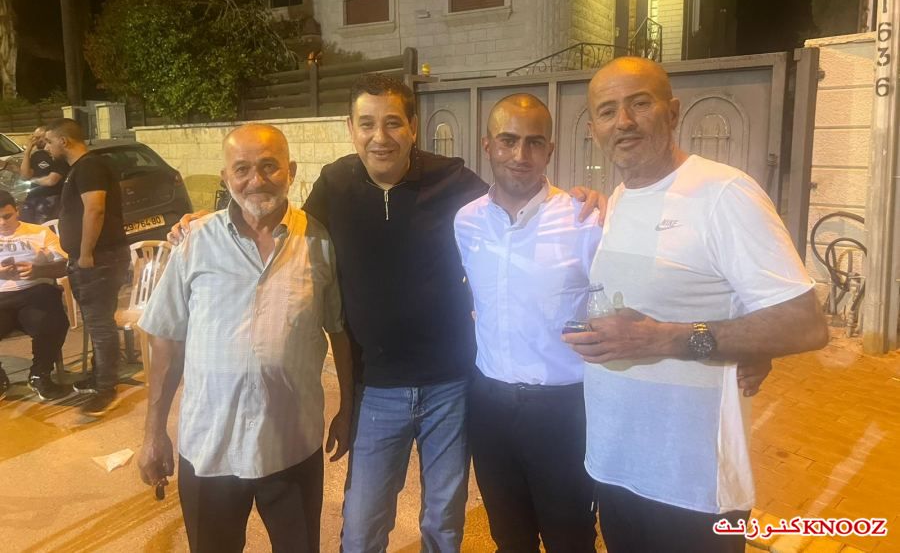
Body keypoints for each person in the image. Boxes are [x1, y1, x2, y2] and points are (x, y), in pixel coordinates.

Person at [171, 75, 602, 551]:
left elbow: (514, 193)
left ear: (413, 127)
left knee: (443, 523)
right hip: (376, 389)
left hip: (451, 386)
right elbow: (286, 224)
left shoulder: (454, 182)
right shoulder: (334, 185)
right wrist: (211, 221)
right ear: (350, 128)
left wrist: (579, 199)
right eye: (367, 124)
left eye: (393, 123)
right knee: (361, 528)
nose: (381, 137)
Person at [564, 57, 828, 553]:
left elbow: (805, 322)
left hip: (695, 488)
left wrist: (665, 338)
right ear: (594, 128)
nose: (624, 121)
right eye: (607, 111)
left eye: (640, 104)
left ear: (673, 112)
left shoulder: (725, 193)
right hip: (615, 466)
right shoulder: (617, 200)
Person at [137, 124, 353, 553]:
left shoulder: (319, 241)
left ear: (291, 171)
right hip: (210, 447)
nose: (256, 180)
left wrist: (347, 409)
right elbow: (166, 342)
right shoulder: (194, 241)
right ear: (226, 177)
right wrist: (154, 432)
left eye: (269, 166)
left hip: (291, 446)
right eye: (242, 169)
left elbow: (338, 330)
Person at [454, 94, 599, 551]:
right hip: (489, 405)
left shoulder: (584, 220)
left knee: (570, 536)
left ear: (550, 150)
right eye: (508, 140)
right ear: (487, 145)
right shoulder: (466, 222)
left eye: (534, 142)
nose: (520, 154)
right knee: (508, 535)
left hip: (564, 410)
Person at [43, 118, 129, 416]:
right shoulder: (80, 168)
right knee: (98, 322)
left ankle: (106, 388)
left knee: (100, 323)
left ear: (63, 141)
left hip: (99, 257)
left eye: (49, 141)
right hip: (96, 257)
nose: (47, 148)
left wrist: (86, 253)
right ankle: (100, 375)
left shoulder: (89, 167)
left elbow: (95, 209)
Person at [0, 189, 70, 401]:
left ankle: (40, 374)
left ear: (17, 211)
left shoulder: (40, 232)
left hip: (35, 292)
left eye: (7, 216)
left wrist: (38, 270)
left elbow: (66, 265)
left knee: (54, 322)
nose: (2, 223)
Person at [18, 126, 68, 224]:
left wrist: (32, 180)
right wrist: (27, 152)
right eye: (34, 137)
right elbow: (25, 175)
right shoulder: (37, 155)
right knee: (25, 224)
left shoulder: (58, 156)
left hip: (51, 197)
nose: (36, 140)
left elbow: (51, 181)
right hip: (33, 196)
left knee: (43, 225)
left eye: (38, 137)